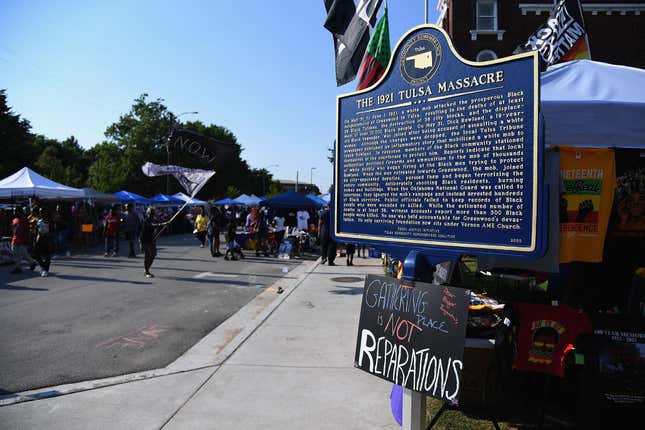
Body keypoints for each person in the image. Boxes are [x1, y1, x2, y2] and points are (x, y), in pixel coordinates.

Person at [10, 207, 37, 274]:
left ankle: (32, 262)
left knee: (24, 253)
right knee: (15, 254)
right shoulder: (14, 220)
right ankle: (18, 268)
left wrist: (27, 239)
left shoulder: (25, 220)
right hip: (15, 239)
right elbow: (13, 230)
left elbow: (27, 231)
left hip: (22, 239)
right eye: (14, 211)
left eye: (16, 211)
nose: (15, 212)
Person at [140, 206, 166, 278]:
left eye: (153, 213)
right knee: (148, 256)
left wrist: (165, 223)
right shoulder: (146, 220)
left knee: (153, 254)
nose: (152, 214)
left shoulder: (153, 219)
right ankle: (146, 271)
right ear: (148, 213)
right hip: (145, 240)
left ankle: (147, 270)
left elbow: (159, 223)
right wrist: (160, 224)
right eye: (151, 213)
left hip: (151, 240)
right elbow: (151, 225)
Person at [33, 208, 54, 277]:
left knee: (47, 255)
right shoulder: (38, 220)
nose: (41, 213)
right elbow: (36, 230)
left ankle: (45, 270)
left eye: (42, 212)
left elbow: (52, 230)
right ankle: (43, 266)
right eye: (40, 212)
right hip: (39, 239)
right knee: (35, 254)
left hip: (47, 239)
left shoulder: (50, 221)